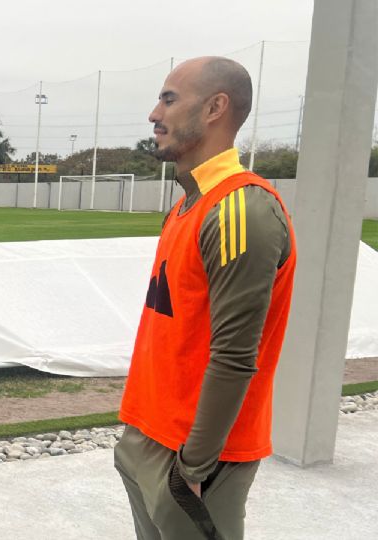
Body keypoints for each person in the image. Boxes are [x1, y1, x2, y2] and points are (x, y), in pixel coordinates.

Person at [115, 56, 297, 540]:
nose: (155, 113)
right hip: (148, 437)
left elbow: (236, 356)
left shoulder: (241, 209)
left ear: (216, 107)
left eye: (169, 99)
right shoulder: (187, 205)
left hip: (193, 460)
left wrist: (193, 467)